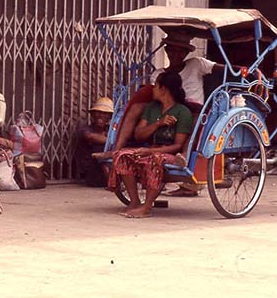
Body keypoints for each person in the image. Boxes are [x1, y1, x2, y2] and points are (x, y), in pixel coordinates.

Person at [94, 32, 230, 196]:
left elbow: (223, 68)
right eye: (171, 50)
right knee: (136, 107)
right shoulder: (159, 74)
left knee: (196, 117)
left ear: (186, 53)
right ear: (166, 51)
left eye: (180, 51)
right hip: (165, 105)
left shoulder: (196, 63)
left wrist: (244, 71)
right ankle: (116, 149)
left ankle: (185, 156)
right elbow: (154, 96)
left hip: (192, 107)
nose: (175, 54)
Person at [108, 72, 193, 218]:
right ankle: (134, 201)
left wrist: (151, 153)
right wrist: (158, 124)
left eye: (155, 86)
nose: (152, 89)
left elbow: (178, 145)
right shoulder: (152, 108)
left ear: (163, 89)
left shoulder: (182, 112)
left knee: (154, 160)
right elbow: (138, 134)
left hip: (168, 153)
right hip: (150, 148)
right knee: (122, 155)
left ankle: (146, 208)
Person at [76, 97, 114, 187]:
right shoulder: (85, 129)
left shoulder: (110, 130)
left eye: (105, 114)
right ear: (93, 115)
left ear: (110, 117)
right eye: (98, 112)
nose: (101, 116)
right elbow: (90, 136)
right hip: (92, 173)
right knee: (100, 149)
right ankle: (112, 183)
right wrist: (112, 142)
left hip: (108, 168)